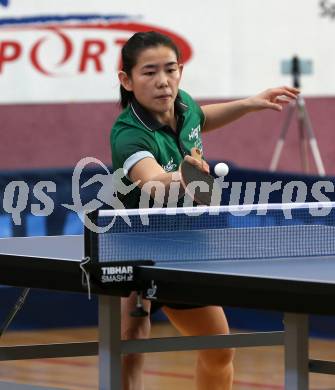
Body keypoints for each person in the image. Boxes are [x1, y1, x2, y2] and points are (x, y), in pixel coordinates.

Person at [110, 31, 299, 390]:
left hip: (184, 249)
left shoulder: (182, 104)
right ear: (127, 80)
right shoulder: (128, 135)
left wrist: (249, 103)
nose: (162, 81)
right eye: (149, 72)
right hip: (137, 249)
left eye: (169, 69)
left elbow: (200, 118)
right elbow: (150, 179)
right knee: (130, 342)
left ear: (180, 71)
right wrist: (181, 176)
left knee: (218, 350)